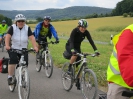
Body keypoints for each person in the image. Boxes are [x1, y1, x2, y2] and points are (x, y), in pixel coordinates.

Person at [64, 19, 100, 90]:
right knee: (75, 55)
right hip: (70, 45)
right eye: (82, 27)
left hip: (77, 47)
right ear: (79, 26)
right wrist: (72, 50)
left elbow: (91, 41)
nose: (83, 29)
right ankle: (69, 68)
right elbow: (71, 40)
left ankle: (77, 81)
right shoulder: (74, 31)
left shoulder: (86, 32)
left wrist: (96, 50)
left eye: (85, 27)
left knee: (78, 65)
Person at [5, 14, 38, 85]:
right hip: (14, 48)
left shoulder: (27, 28)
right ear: (16, 22)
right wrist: (7, 45)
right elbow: (8, 36)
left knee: (25, 64)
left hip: (24, 49)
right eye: (19, 21)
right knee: (12, 62)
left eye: (22, 21)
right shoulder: (13, 27)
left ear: (24, 22)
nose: (21, 22)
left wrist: (35, 46)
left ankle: (22, 76)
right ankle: (10, 77)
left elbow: (31, 37)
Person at [107, 24, 133, 99]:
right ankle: (70, 68)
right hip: (119, 83)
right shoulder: (130, 32)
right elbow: (125, 57)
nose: (83, 29)